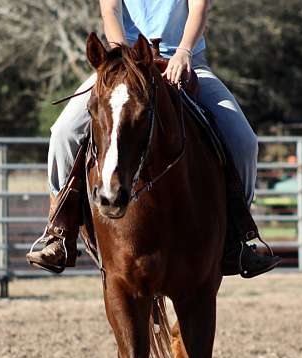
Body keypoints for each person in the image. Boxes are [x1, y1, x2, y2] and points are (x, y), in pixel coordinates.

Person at [27, 0, 280, 278]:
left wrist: (184, 51)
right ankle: (59, 231)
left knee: (244, 141)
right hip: (123, 65)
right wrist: (123, 58)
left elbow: (199, 9)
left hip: (183, 61)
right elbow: (109, 10)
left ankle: (238, 236)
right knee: (64, 131)